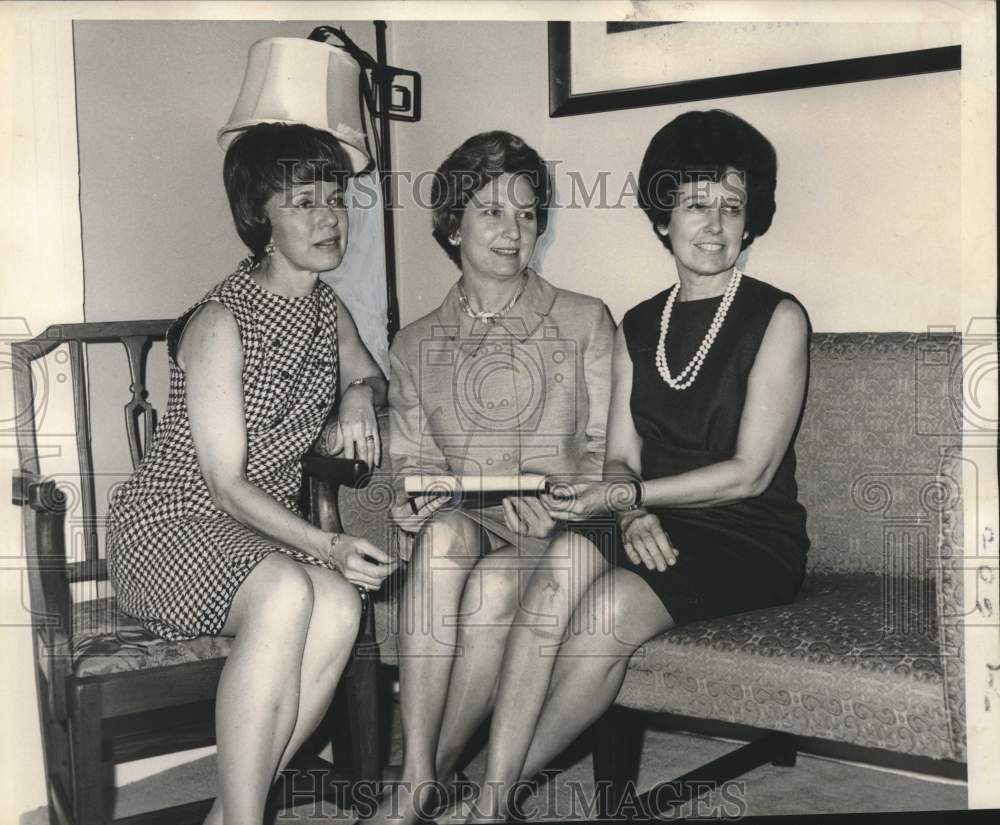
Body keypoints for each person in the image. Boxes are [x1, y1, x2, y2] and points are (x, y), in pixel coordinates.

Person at [466, 109, 811, 822]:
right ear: (663, 218)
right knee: (565, 558)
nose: (713, 225)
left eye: (731, 206)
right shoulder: (638, 324)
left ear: (751, 221)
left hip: (748, 535)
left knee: (612, 610)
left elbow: (750, 470)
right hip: (653, 515)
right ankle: (494, 806)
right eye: (694, 203)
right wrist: (630, 506)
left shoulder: (778, 317)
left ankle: (481, 802)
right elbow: (620, 453)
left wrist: (631, 496)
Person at [106, 122, 396, 825]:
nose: (329, 217)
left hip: (248, 536)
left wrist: (359, 393)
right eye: (304, 202)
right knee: (291, 593)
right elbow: (224, 485)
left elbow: (374, 378)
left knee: (339, 605)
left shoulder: (327, 311)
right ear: (258, 218)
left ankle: (231, 812)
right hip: (169, 526)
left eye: (335, 198)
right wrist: (328, 546)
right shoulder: (219, 322)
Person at [370, 130, 616, 824]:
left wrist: (571, 502)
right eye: (491, 211)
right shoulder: (415, 343)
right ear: (452, 224)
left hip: (566, 526)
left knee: (497, 583)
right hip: (472, 521)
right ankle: (419, 774)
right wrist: (410, 506)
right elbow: (415, 466)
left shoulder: (585, 320)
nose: (515, 231)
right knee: (443, 539)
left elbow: (610, 455)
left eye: (527, 213)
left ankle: (420, 784)